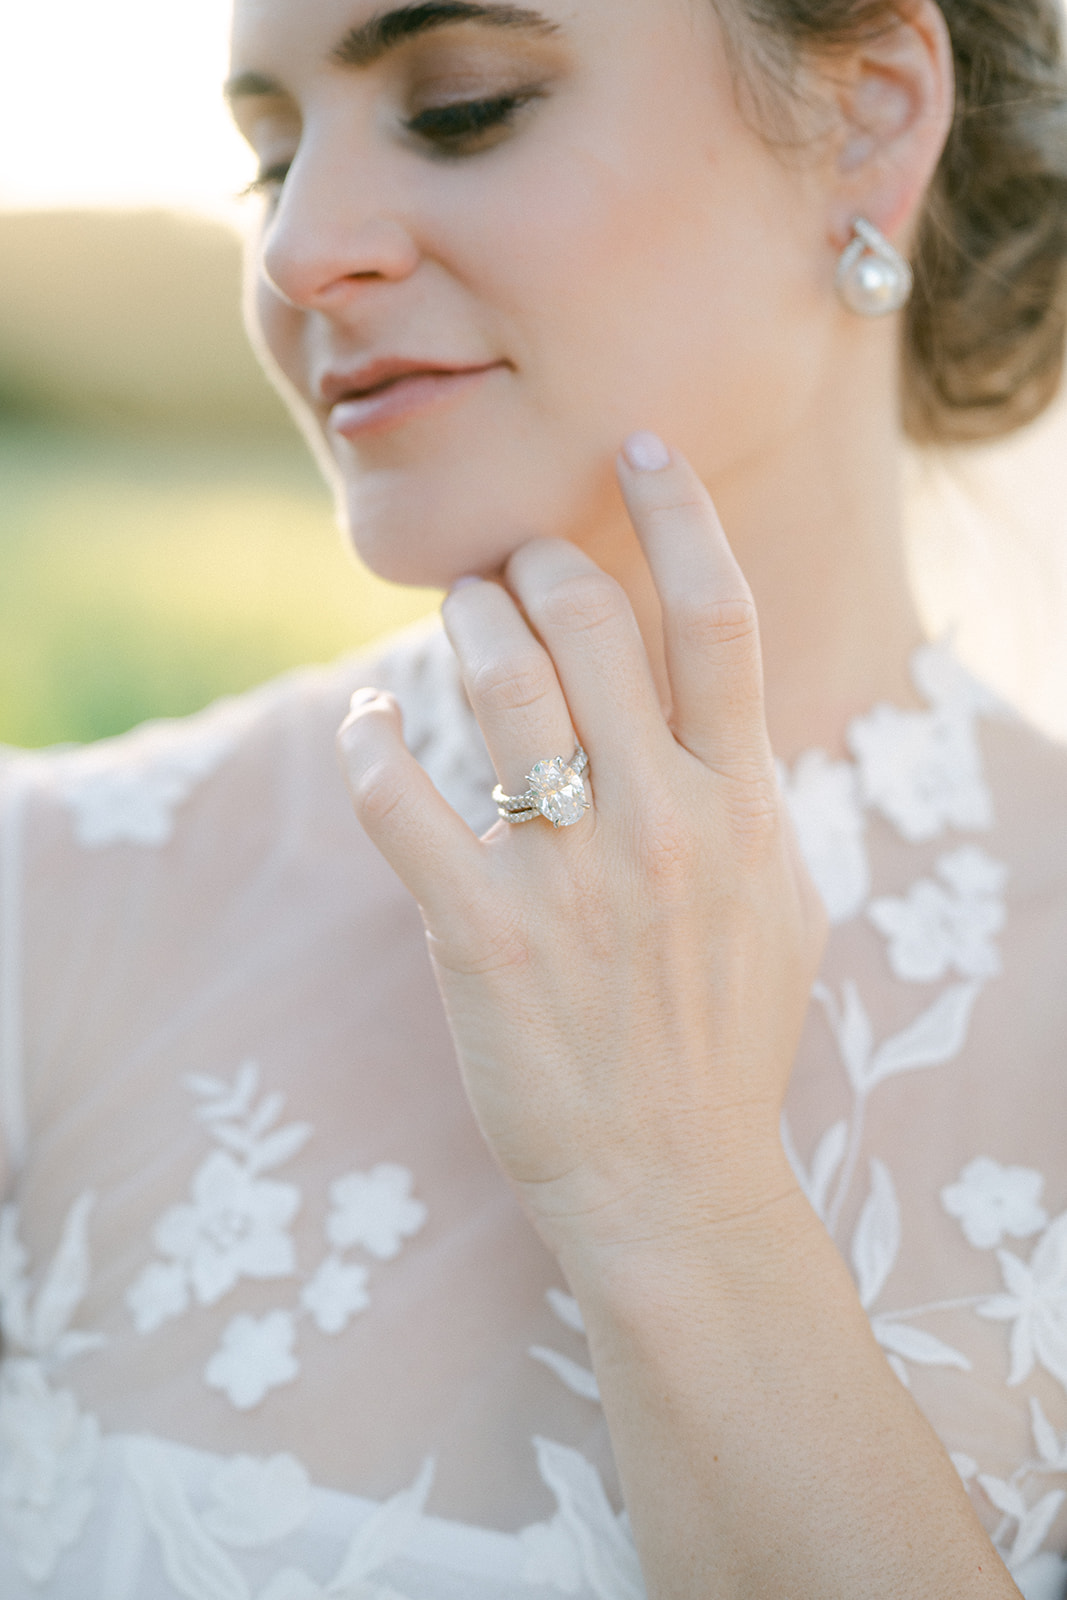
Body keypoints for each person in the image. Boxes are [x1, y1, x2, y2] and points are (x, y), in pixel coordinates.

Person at [1, 0, 1066, 1593]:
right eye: (269, 160)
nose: (299, 250)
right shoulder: (46, 901)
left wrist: (683, 1201)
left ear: (870, 117)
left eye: (464, 106)